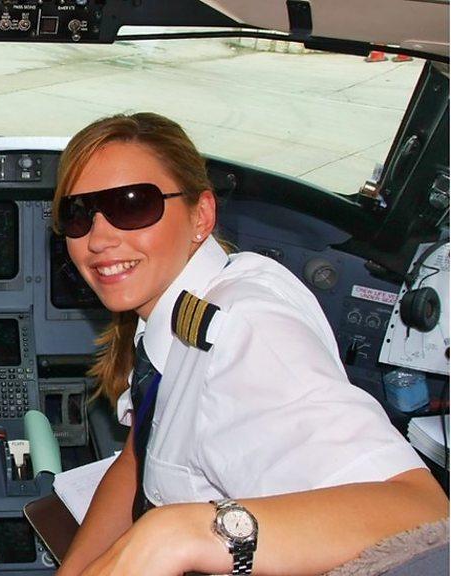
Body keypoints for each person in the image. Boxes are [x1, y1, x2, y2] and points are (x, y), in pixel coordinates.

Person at [52, 113, 448, 576]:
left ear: (201, 215)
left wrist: (175, 534)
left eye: (133, 205)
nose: (98, 239)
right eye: (77, 215)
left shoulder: (245, 332)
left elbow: (420, 512)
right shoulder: (177, 313)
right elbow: (140, 453)